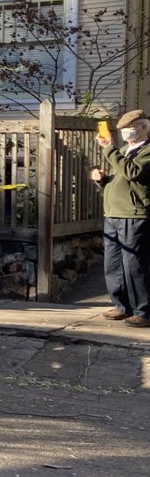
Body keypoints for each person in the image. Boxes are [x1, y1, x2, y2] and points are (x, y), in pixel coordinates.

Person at [90, 109, 150, 328]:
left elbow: (133, 173)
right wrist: (103, 179)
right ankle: (121, 306)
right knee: (113, 264)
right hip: (113, 214)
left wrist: (108, 148)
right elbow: (120, 179)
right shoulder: (124, 150)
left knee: (135, 264)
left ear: (143, 127)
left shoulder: (147, 151)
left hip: (134, 215)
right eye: (123, 130)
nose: (125, 133)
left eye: (129, 129)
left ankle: (144, 311)